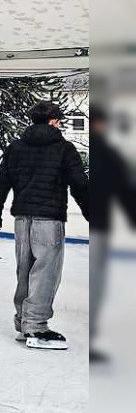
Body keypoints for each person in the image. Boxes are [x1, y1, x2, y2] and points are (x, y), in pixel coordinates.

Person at [0, 100, 89, 350]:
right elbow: (80, 185)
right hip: (48, 220)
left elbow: (0, 184)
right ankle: (37, 327)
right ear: (54, 121)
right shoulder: (64, 149)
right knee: (45, 273)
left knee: (25, 270)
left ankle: (23, 323)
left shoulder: (15, 148)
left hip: (22, 220)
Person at [87, 106, 136, 364]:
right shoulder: (109, 153)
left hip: (89, 220)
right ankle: (94, 336)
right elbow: (125, 190)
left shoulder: (86, 153)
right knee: (97, 279)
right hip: (100, 223)